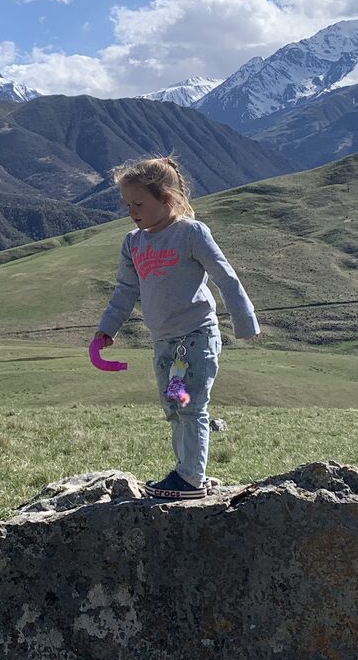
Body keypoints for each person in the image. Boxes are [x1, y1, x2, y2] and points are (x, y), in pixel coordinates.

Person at [90, 156, 260, 500]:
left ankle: (191, 478)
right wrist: (106, 330)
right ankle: (188, 470)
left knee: (192, 406)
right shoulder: (133, 243)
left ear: (167, 199)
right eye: (127, 204)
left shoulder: (190, 233)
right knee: (174, 407)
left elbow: (224, 275)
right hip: (165, 345)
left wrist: (245, 321)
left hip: (196, 339)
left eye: (139, 203)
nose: (131, 211)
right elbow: (126, 289)